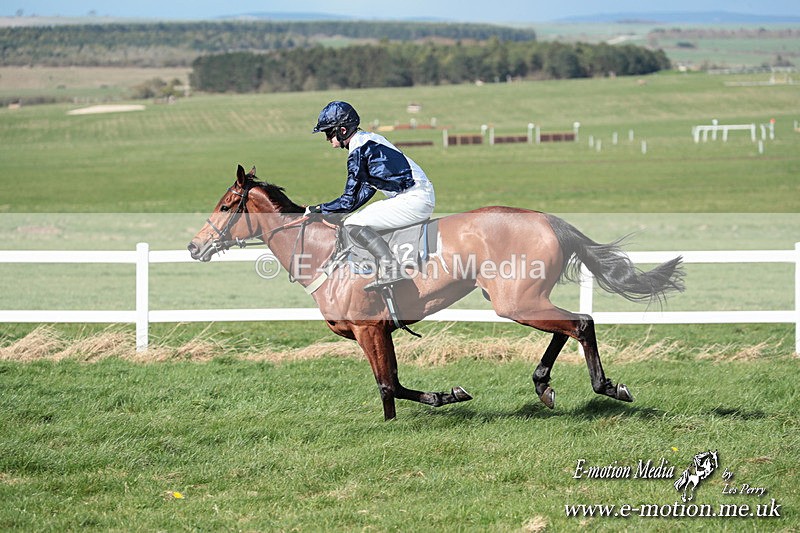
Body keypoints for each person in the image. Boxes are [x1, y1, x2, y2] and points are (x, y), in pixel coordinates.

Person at [306, 101, 435, 291]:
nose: (327, 139)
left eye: (328, 133)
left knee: (353, 224)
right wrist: (332, 210)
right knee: (355, 219)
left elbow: (349, 200)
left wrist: (318, 209)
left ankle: (391, 268)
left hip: (413, 199)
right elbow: (363, 192)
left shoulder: (359, 150)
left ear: (342, 130)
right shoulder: (367, 141)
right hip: (417, 196)